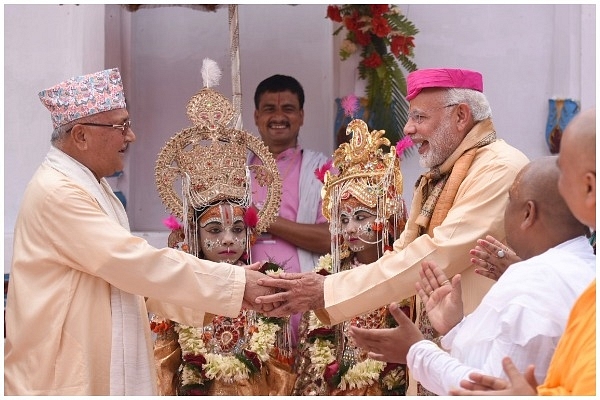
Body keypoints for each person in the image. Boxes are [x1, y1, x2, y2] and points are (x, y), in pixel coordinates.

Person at [3, 68, 278, 396]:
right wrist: (233, 284)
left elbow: (138, 282)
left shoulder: (94, 186)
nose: (130, 137)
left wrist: (231, 291)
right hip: (61, 375)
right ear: (81, 135)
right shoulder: (58, 192)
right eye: (121, 126)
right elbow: (133, 265)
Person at [255, 68, 530, 393]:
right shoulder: (443, 174)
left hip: (482, 355)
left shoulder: (498, 167)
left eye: (419, 117)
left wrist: (328, 291)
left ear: (461, 115)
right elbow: (403, 251)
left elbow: (436, 254)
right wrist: (330, 286)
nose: (408, 128)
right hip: (444, 350)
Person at [346, 156, 595, 395]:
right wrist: (457, 327)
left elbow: (491, 390)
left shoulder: (533, 282)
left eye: (509, 201)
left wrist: (416, 350)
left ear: (528, 213)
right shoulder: (587, 270)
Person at [150, 62, 295, 396]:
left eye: (237, 229)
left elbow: (281, 367)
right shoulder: (177, 286)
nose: (229, 239)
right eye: (214, 230)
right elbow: (163, 364)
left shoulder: (269, 284)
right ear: (193, 234)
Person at [449, 107, 596, 396]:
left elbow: (485, 384)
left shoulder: (534, 282)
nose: (559, 184)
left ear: (589, 185)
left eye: (563, 172)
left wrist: (415, 350)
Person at [293, 116, 412, 395]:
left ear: (385, 215)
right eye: (343, 220)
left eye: (360, 217)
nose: (350, 229)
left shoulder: (406, 272)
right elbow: (310, 362)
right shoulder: (327, 277)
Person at [249, 74, 331, 347]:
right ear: (256, 116)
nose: (278, 116)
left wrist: (267, 220)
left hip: (302, 294)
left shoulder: (322, 171)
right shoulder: (235, 171)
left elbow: (331, 238)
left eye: (288, 109)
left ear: (301, 116)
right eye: (270, 108)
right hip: (246, 297)